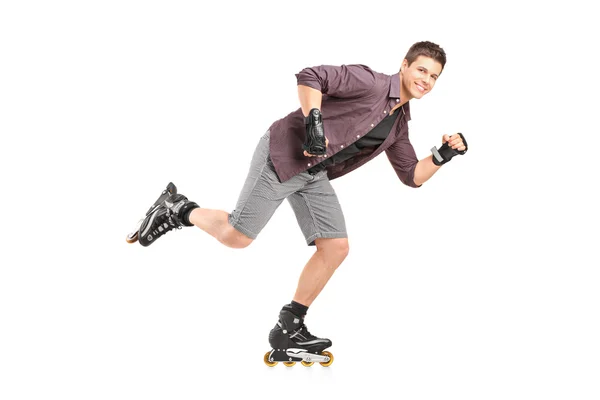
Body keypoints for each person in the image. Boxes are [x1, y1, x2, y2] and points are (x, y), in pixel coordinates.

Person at [129, 40, 468, 367]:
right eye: (422, 70)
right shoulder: (370, 82)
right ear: (405, 65)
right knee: (237, 236)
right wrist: (314, 121)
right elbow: (311, 76)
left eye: (434, 76)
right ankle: (178, 208)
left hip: (314, 173)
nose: (426, 80)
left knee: (336, 247)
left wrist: (444, 154)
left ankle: (289, 326)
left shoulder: (399, 125)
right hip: (284, 155)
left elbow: (411, 175)